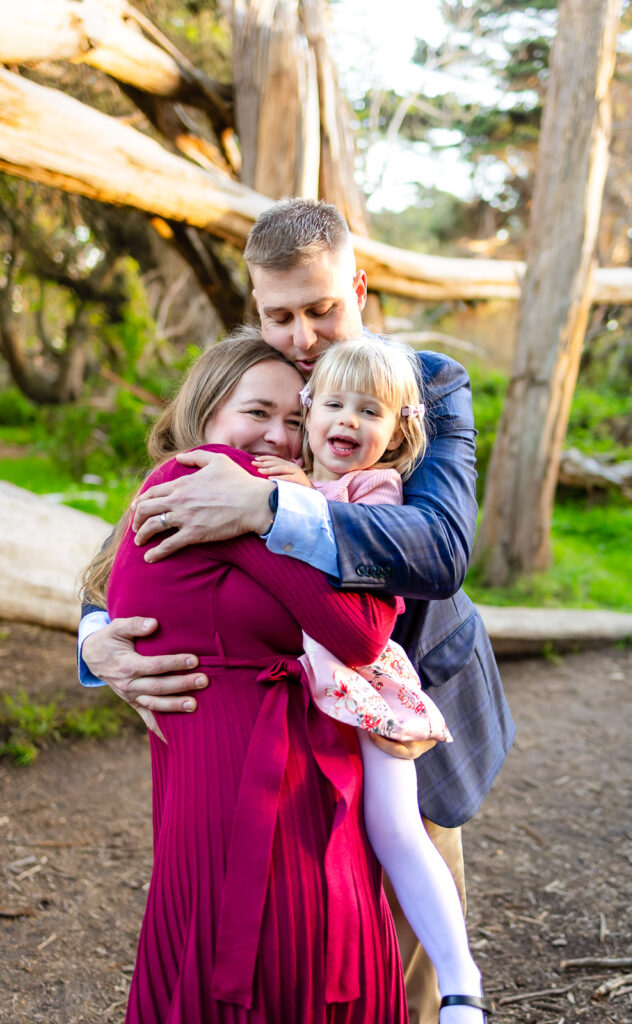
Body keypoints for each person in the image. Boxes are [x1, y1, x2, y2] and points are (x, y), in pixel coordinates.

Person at [79, 198, 515, 1024]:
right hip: (279, 735)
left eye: (321, 308)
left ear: (356, 285)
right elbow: (127, 545)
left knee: (404, 955)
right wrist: (97, 637)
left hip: (401, 710)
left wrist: (270, 511)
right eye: (279, 315)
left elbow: (440, 545)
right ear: (256, 309)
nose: (303, 336)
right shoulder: (251, 391)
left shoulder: (423, 382)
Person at [82, 329, 408, 1022]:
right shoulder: (210, 485)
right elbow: (359, 631)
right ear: (203, 415)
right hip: (251, 778)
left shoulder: (236, 492)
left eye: (295, 420)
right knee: (271, 951)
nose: (281, 437)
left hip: (266, 763)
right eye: (256, 413)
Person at [255, 335, 491, 1022]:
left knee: (392, 825)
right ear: (306, 408)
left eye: (368, 412)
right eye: (331, 405)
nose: (346, 422)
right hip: (301, 682)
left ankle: (457, 980)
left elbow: (377, 537)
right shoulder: (291, 465)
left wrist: (286, 501)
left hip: (360, 673)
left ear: (397, 434)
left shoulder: (372, 486)